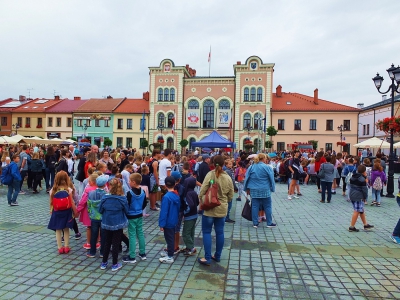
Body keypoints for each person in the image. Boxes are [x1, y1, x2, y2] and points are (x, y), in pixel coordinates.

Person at [197, 155, 234, 266]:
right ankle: (217, 255)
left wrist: (203, 200)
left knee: (207, 232)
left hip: (209, 208)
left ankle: (207, 257)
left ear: (213, 163)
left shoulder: (210, 174)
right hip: (222, 208)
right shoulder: (227, 177)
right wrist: (223, 200)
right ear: (223, 164)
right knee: (220, 232)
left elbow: (202, 190)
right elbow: (231, 194)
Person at [99, 178, 129, 271]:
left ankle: (104, 263)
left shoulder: (105, 198)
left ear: (109, 186)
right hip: (118, 223)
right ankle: (114, 264)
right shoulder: (122, 198)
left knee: (107, 242)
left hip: (107, 222)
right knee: (116, 243)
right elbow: (127, 210)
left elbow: (100, 210)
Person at [47, 171, 78, 254]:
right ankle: (66, 246)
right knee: (66, 229)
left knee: (58, 229)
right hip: (67, 212)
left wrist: (51, 211)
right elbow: (71, 202)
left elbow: (51, 202)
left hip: (56, 212)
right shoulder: (68, 190)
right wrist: (75, 212)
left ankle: (60, 247)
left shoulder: (52, 190)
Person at [243, 153, 276, 228]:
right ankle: (269, 223)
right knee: (267, 206)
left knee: (255, 206)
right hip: (265, 189)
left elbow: (247, 178)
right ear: (263, 158)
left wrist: (246, 188)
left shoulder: (251, 167)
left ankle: (255, 223)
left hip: (254, 189)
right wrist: (273, 188)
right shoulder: (267, 167)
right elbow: (271, 179)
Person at [122, 173, 147, 264]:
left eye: (129, 181)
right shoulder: (143, 191)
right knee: (140, 233)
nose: (128, 182)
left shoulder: (129, 193)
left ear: (133, 182)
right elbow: (144, 203)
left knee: (132, 235)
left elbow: (126, 205)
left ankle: (132, 256)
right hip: (139, 215)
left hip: (131, 216)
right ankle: (142, 253)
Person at [158, 176, 180, 264]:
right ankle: (170, 252)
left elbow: (164, 212)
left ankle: (170, 256)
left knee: (169, 238)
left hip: (167, 221)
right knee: (171, 237)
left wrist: (161, 224)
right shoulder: (176, 195)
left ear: (165, 185)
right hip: (174, 219)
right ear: (175, 184)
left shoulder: (166, 197)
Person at [86, 175, 108, 258]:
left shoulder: (91, 193)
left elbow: (88, 204)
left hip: (94, 217)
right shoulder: (106, 195)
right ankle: (102, 252)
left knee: (94, 234)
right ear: (105, 184)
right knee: (103, 235)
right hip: (103, 217)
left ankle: (92, 252)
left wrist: (90, 213)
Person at [348, 165, 374, 232]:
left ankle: (365, 224)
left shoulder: (353, 177)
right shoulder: (362, 179)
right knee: (357, 210)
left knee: (361, 210)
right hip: (358, 196)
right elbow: (365, 189)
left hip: (352, 194)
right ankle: (352, 226)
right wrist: (365, 197)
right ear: (364, 171)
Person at [181, 176, 199, 256]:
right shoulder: (194, 192)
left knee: (185, 233)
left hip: (189, 216)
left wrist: (185, 212)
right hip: (195, 215)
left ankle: (191, 248)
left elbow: (190, 204)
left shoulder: (187, 193)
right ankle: (189, 246)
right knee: (191, 232)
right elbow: (197, 203)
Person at [224, 158, 238, 223]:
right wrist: (235, 187)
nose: (230, 165)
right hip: (229, 189)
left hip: (228, 188)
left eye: (231, 164)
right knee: (229, 203)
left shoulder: (229, 170)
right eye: (229, 164)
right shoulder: (228, 171)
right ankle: (226, 217)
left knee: (228, 203)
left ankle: (226, 216)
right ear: (226, 165)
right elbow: (232, 180)